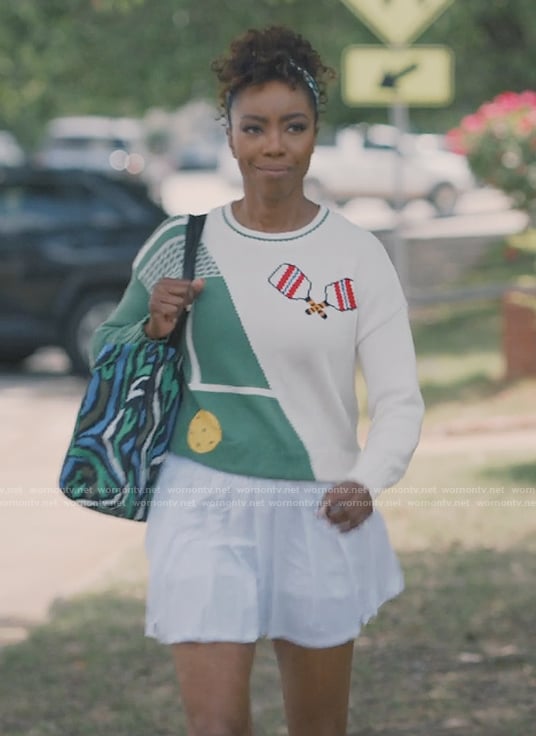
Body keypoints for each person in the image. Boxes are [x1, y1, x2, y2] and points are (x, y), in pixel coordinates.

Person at [92, 25, 424, 736]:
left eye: (293, 127)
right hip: (202, 500)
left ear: (314, 134)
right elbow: (106, 351)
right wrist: (152, 325)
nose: (275, 145)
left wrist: (369, 478)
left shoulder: (356, 255)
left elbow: (399, 398)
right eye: (256, 128)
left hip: (321, 505)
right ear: (232, 137)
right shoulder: (184, 245)